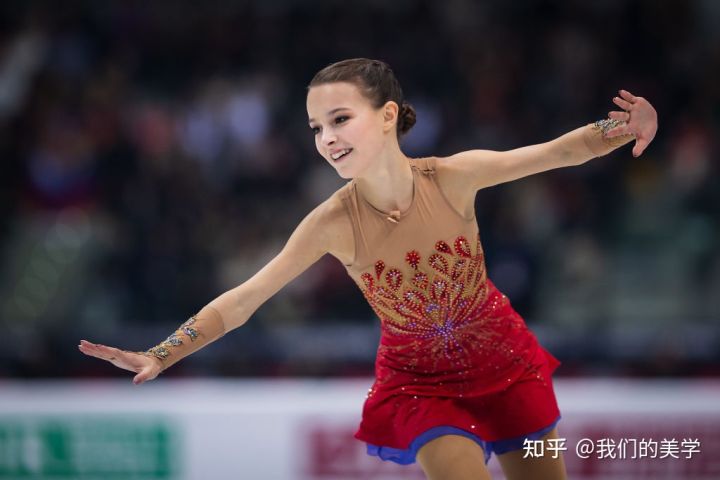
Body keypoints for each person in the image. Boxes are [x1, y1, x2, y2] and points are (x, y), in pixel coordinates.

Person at [79, 58, 658, 480]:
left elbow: (556, 152)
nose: (327, 139)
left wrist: (627, 127)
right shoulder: (331, 221)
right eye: (316, 129)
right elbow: (244, 299)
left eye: (338, 119)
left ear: (386, 117)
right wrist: (163, 352)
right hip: (420, 386)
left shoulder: (452, 177)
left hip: (504, 362)